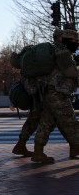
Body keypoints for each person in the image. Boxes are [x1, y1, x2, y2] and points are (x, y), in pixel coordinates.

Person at [31, 29, 79, 163]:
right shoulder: (62, 52)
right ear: (65, 40)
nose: (76, 43)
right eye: (74, 41)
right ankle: (76, 146)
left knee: (47, 122)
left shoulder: (57, 51)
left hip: (51, 92)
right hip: (57, 93)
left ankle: (38, 152)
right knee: (70, 122)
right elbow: (71, 72)